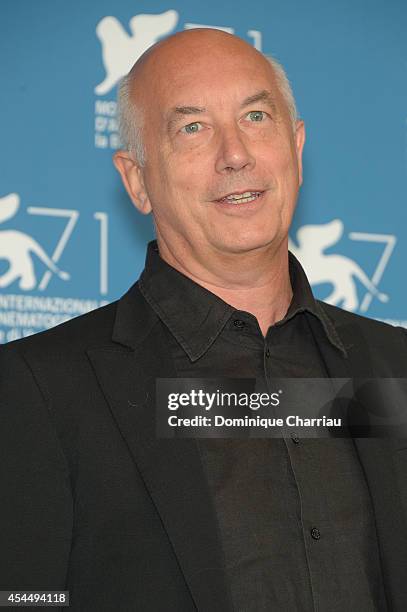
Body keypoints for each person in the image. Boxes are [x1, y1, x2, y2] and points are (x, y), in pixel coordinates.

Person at [1, 28, 407, 612]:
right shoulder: (40, 388)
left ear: (295, 148)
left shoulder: (393, 368)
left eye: (257, 117)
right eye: (192, 127)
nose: (235, 154)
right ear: (136, 180)